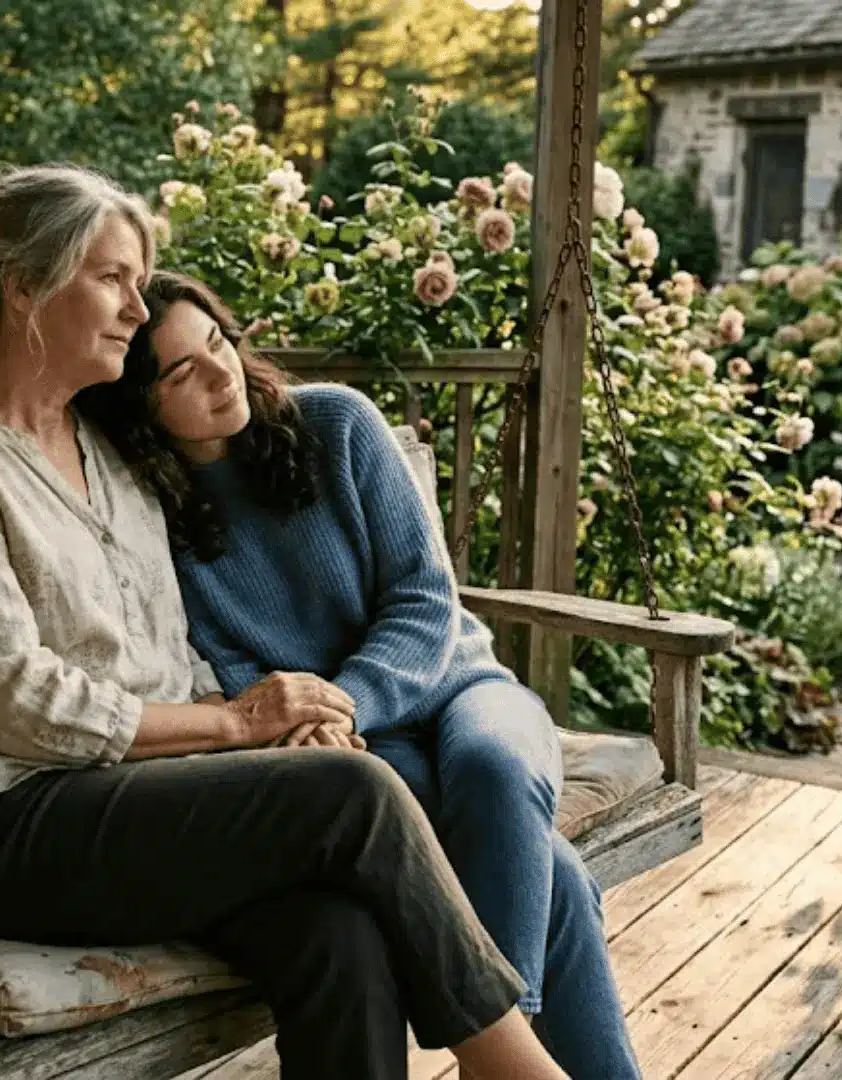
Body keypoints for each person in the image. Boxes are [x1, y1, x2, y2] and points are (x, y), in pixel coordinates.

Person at [0, 163, 573, 1080]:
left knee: (340, 932)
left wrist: (271, 735)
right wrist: (239, 725)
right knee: (350, 794)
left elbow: (174, 651)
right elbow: (9, 698)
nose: (133, 308)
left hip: (136, 804)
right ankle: (511, 1065)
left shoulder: (108, 456)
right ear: (25, 289)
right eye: (111, 278)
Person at [76, 270, 644, 1080]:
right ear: (142, 406)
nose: (218, 373)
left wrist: (349, 701)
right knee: (554, 874)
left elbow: (422, 596)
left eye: (218, 344)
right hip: (347, 745)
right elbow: (232, 665)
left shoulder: (336, 423)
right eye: (181, 372)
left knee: (494, 768)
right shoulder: (159, 521)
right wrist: (323, 728)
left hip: (460, 686)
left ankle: (500, 1039)